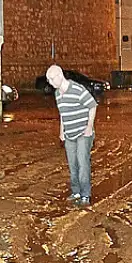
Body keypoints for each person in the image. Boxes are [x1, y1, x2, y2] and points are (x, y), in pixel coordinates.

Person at [46, 65, 98, 207]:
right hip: (69, 134)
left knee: (82, 163)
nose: (50, 83)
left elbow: (92, 105)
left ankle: (85, 195)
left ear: (59, 76)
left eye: (51, 79)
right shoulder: (58, 94)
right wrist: (61, 131)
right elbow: (62, 113)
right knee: (72, 164)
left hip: (83, 133)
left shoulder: (77, 89)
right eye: (49, 80)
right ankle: (76, 192)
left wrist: (89, 127)